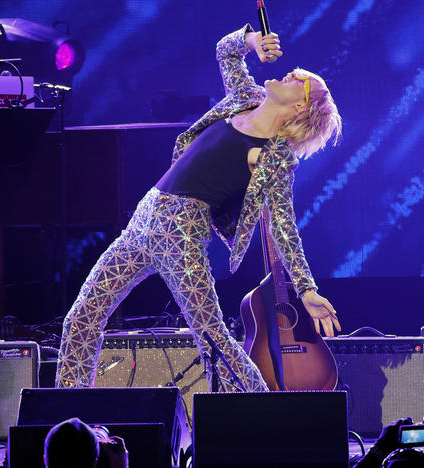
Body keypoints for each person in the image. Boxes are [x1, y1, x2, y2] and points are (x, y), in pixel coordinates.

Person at [56, 24, 343, 392]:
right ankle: (68, 412)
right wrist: (251, 41)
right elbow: (226, 51)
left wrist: (306, 289)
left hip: (182, 230)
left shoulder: (277, 158)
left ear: (301, 106)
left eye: (299, 80)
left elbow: (283, 229)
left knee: (211, 336)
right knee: (81, 316)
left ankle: (262, 414)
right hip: (146, 217)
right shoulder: (246, 97)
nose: (289, 73)